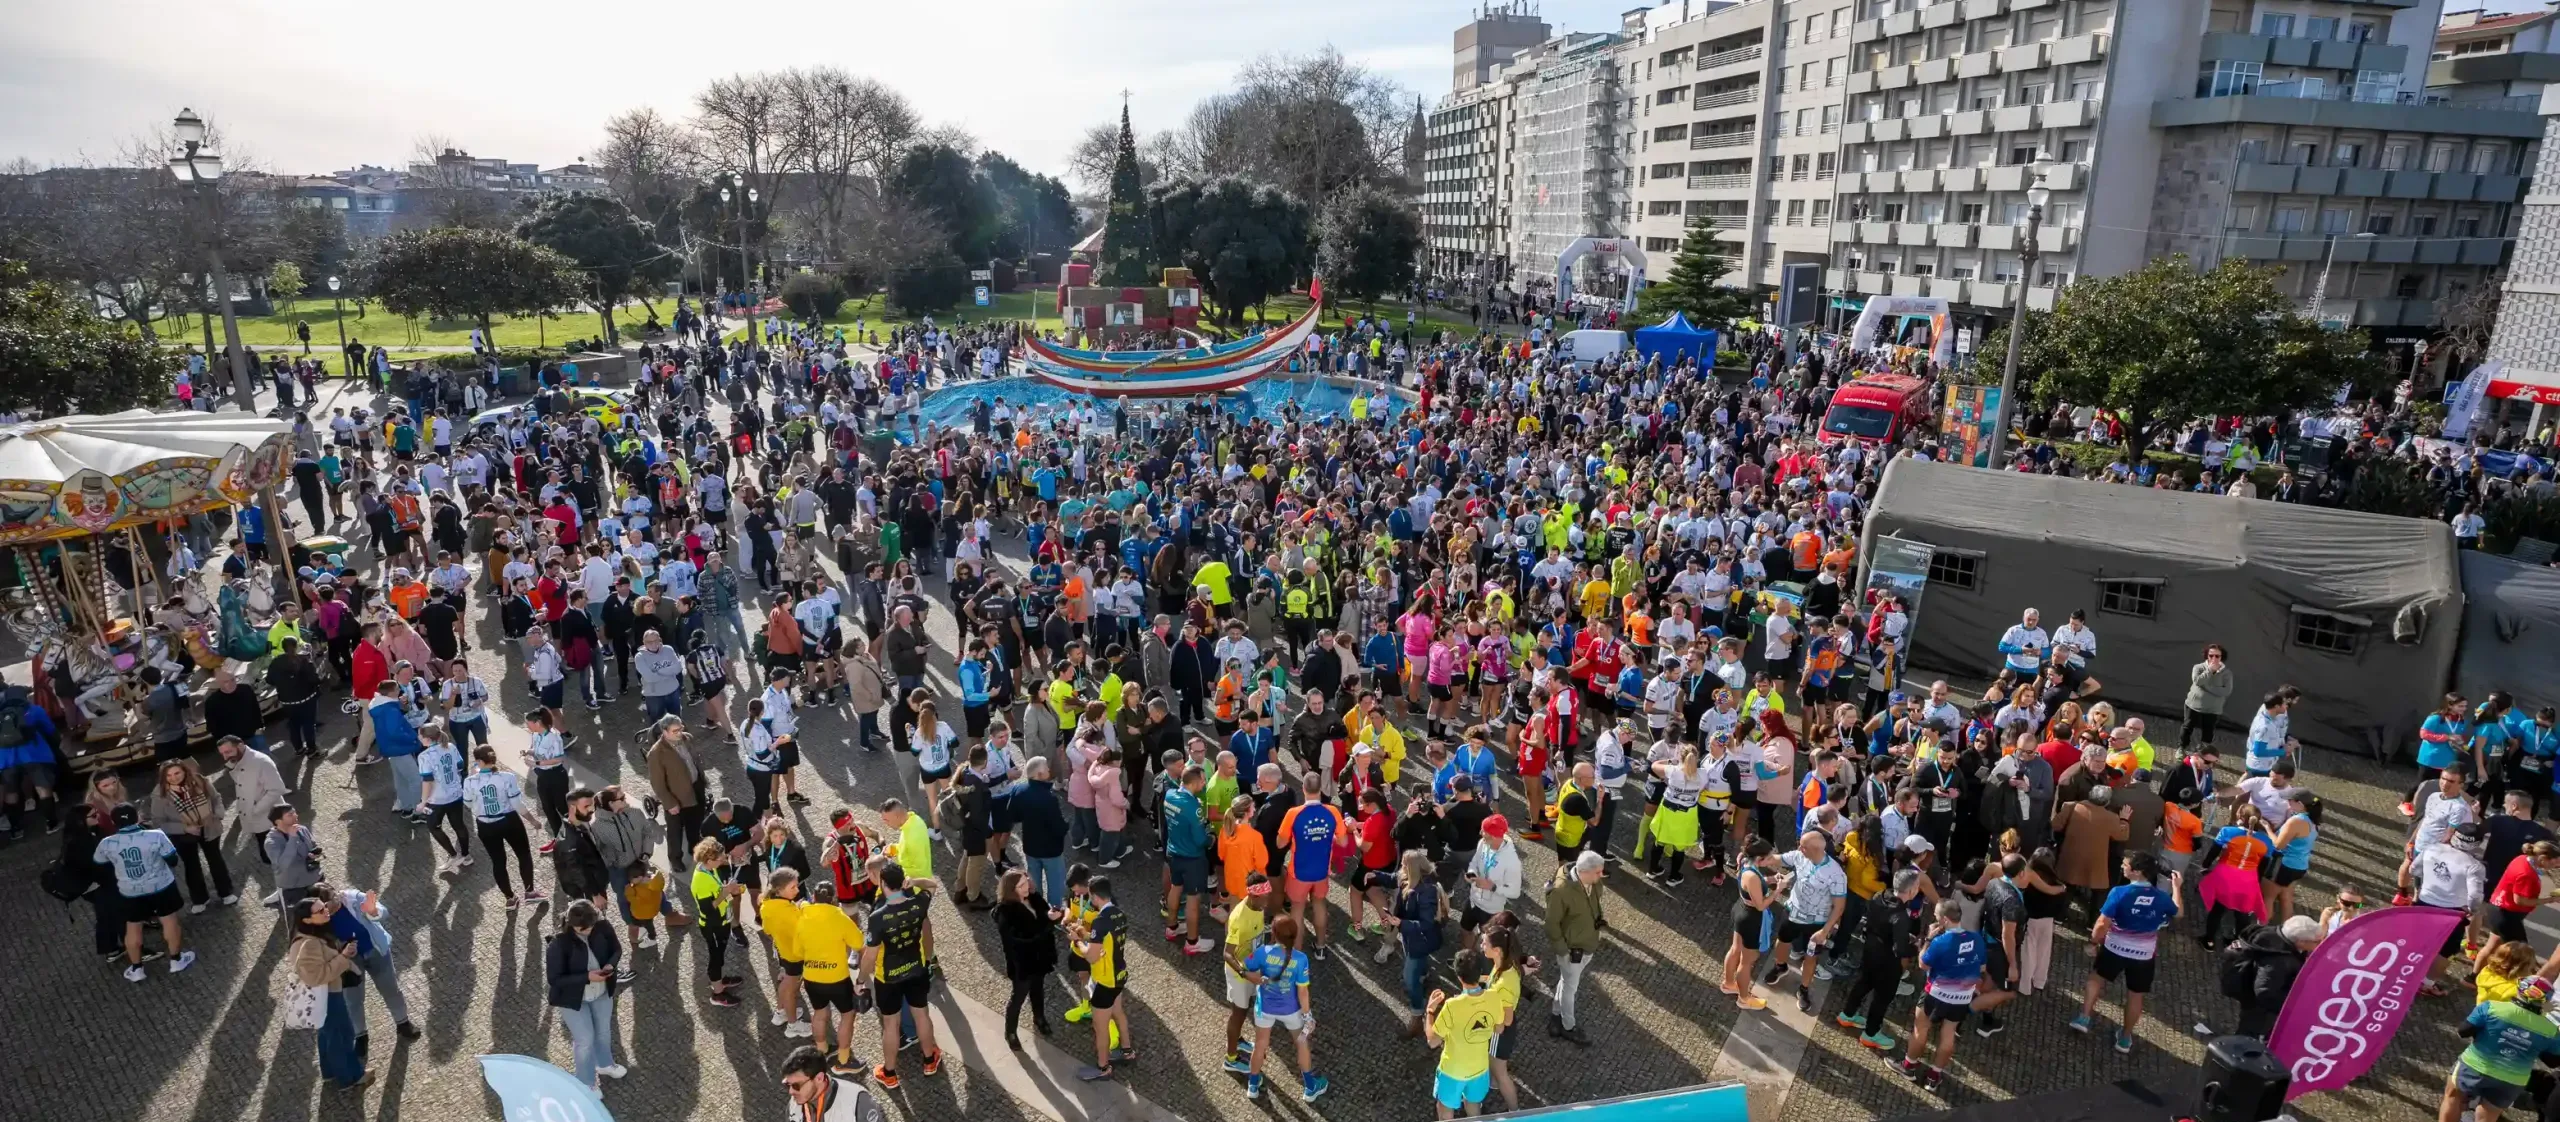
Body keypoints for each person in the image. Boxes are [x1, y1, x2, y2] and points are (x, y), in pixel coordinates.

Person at [2072, 851, 2182, 1054]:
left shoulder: (2119, 892)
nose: (2123, 867)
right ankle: (2124, 1038)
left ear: (2137, 872)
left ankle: (2084, 1017)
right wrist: (2176, 888)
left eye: (2126, 865)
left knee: (2096, 978)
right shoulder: (2160, 897)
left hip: (2114, 948)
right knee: (2135, 995)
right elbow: (2178, 911)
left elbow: (2102, 923)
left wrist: (2094, 942)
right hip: (2143, 956)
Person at [858, 862, 945, 1088]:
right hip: (916, 969)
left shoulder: (877, 917)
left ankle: (889, 1073)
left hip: (888, 978)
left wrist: (860, 980)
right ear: (902, 881)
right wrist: (913, 881)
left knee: (890, 1024)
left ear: (882, 883)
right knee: (921, 1015)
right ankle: (929, 1060)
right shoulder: (918, 903)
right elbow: (932, 885)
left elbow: (869, 956)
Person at [93, 804, 196, 981]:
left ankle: (137, 969)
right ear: (137, 818)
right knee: (169, 921)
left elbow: (99, 864)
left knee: (133, 927)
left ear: (113, 822)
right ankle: (176, 960)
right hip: (161, 886)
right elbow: (172, 860)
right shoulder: (156, 835)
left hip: (130, 891)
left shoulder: (106, 843)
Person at [2443, 975, 2560, 1122]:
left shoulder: (2491, 1007)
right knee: (2488, 1116)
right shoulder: (2551, 1030)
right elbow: (2553, 1062)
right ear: (2545, 1000)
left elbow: (2463, 1031)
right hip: (2513, 1080)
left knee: (2453, 1098)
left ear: (2520, 988)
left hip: (2475, 1066)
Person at [1240, 914, 1329, 1102]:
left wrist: (1250, 974)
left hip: (1265, 1009)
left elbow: (1244, 966)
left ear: (1273, 933)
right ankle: (1310, 1087)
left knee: (1261, 1044)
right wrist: (1308, 1016)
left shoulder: (1263, 952)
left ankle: (1253, 1085)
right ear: (1295, 935)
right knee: (1301, 1043)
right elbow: (1302, 992)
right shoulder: (1301, 959)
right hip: (1292, 1012)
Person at [287, 895, 372, 1090]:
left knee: (328, 1035)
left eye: (324, 907)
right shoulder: (307, 944)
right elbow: (317, 976)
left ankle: (330, 1072)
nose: (326, 911)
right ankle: (351, 1077)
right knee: (342, 1035)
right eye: (320, 911)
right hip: (326, 996)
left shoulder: (312, 934)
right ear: (307, 920)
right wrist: (343, 957)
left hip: (325, 995)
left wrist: (341, 952)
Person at [1836, 867, 1923, 1051]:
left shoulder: (1879, 896)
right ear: (1911, 890)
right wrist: (1916, 947)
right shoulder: (1901, 916)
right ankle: (1871, 1033)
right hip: (1887, 962)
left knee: (1863, 983)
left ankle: (1847, 1015)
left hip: (1870, 950)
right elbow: (1900, 950)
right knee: (1882, 998)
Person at [546, 900, 627, 1091]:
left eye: (591, 926)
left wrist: (610, 964)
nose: (589, 930)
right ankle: (585, 1083)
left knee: (604, 1032)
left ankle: (605, 1064)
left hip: (601, 992)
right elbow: (554, 979)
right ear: (572, 924)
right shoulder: (558, 943)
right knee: (585, 1041)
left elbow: (616, 949)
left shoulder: (602, 926)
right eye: (583, 929)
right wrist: (587, 977)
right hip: (573, 999)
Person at [794, 878, 867, 1076]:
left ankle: (822, 1050)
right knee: (847, 1015)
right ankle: (843, 1060)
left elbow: (797, 951)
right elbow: (859, 944)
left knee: (819, 1013)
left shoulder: (803, 918)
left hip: (811, 978)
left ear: (813, 897)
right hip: (837, 979)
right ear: (834, 899)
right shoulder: (840, 918)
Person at [1768, 829, 1848, 1014]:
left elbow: (1839, 906)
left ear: (1816, 849)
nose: (1799, 848)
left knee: (1811, 957)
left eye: (1803, 846)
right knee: (1782, 941)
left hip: (1816, 924)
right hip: (1792, 913)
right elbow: (1778, 859)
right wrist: (1757, 858)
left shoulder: (1836, 874)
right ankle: (1780, 966)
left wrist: (1825, 930)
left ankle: (1804, 989)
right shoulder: (1800, 856)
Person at [461, 745, 544, 907]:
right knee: (523, 854)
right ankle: (529, 891)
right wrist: (533, 821)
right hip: (509, 820)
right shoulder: (507, 777)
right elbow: (517, 804)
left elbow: (468, 803)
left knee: (498, 862)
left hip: (485, 825)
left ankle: (510, 898)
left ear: (479, 761)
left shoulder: (469, 781)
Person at [1424, 949, 1502, 1119]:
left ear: (1459, 977)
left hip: (1452, 1071)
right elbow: (1499, 1029)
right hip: (1480, 1068)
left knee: (1445, 1112)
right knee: (1473, 1105)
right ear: (1480, 973)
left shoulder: (1452, 1006)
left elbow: (1432, 1041)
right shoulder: (1495, 997)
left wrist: (1430, 1011)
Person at [1543, 849, 1605, 1046]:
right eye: (1598, 872)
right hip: (1572, 950)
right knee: (1570, 989)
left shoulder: (1590, 881)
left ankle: (1556, 1015)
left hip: (1586, 944)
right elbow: (1551, 923)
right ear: (1584, 872)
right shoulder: (1562, 891)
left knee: (1566, 981)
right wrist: (1563, 951)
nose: (1601, 875)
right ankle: (1568, 1026)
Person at [994, 868, 1058, 1050]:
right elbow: (1025, 936)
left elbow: (1044, 913)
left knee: (1038, 989)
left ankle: (1039, 1017)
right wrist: (1048, 921)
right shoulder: (1006, 912)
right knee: (1018, 997)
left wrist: (1050, 915)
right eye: (1021, 885)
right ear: (1011, 889)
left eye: (1026, 881)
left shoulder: (1033, 897)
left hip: (1040, 957)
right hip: (1022, 963)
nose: (1026, 886)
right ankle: (1010, 1032)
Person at [690, 836, 748, 1007]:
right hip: (712, 925)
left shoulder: (709, 869)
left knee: (720, 954)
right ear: (709, 860)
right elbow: (708, 909)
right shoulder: (700, 880)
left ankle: (720, 980)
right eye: (720, 858)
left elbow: (717, 893)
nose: (723, 859)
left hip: (721, 922)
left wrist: (730, 891)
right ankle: (717, 993)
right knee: (715, 958)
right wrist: (726, 892)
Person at [1723, 838, 1780, 1011]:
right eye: (1768, 858)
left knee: (1735, 949)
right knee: (1747, 961)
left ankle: (1728, 983)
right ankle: (1744, 998)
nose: (1771, 860)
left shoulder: (1744, 860)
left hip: (1741, 909)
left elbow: (1754, 884)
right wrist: (1778, 890)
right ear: (1759, 858)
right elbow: (1761, 905)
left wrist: (1771, 879)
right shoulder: (1752, 876)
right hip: (1751, 919)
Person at [759, 866, 811, 1038]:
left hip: (783, 951)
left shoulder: (766, 905)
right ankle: (793, 1025)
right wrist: (801, 909)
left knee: (786, 983)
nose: (797, 890)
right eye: (793, 887)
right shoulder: (788, 912)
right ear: (779, 890)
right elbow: (803, 929)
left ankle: (781, 1012)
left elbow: (767, 930)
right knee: (791, 988)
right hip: (795, 955)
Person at [781, 1043, 887, 1122]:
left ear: (819, 1078)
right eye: (787, 1084)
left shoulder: (857, 1102)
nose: (790, 1091)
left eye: (796, 1085)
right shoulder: (797, 1101)